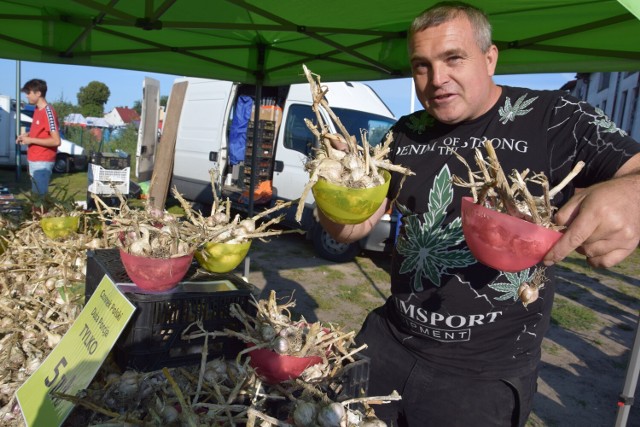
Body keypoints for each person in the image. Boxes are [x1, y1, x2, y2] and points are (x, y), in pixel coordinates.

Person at [317, 2, 640, 426]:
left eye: (453, 58)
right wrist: (336, 184)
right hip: (390, 341)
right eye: (421, 65)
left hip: (483, 374)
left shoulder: (555, 117)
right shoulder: (404, 133)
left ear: (490, 58)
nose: (436, 80)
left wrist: (630, 192)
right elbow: (351, 228)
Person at [16, 78, 61, 200]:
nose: (26, 96)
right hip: (35, 159)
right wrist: (28, 135)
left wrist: (31, 140)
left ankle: (41, 217)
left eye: (28, 92)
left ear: (38, 93)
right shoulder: (37, 109)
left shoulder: (48, 112)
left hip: (43, 161)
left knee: (40, 198)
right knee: (36, 197)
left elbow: (56, 141)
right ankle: (37, 216)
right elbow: (41, 131)